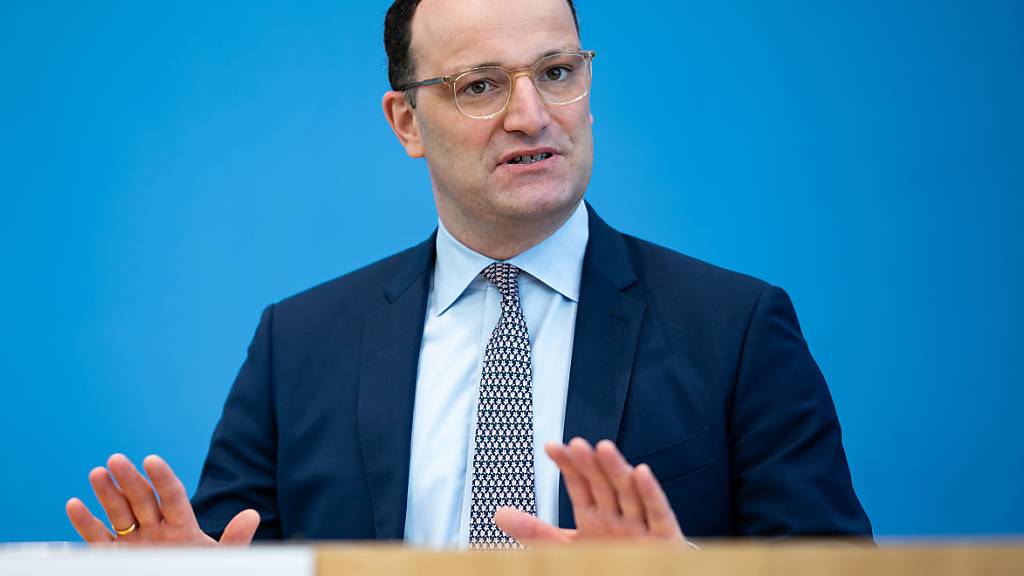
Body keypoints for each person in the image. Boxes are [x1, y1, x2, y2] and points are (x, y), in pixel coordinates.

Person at [66, 0, 872, 549]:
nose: (532, 114)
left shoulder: (734, 328)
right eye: (480, 85)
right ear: (407, 122)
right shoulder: (299, 344)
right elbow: (229, 558)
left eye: (556, 72)